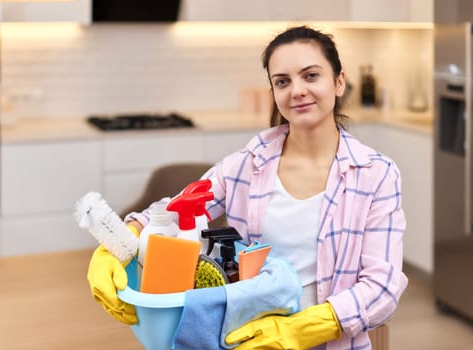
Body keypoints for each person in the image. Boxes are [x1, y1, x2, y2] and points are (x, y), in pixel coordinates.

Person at [87, 25, 408, 349]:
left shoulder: (375, 175)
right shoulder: (246, 165)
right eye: (282, 81)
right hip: (246, 341)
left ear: (339, 82)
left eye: (311, 76)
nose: (297, 90)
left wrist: (304, 328)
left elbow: (383, 286)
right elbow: (175, 211)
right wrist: (119, 241)